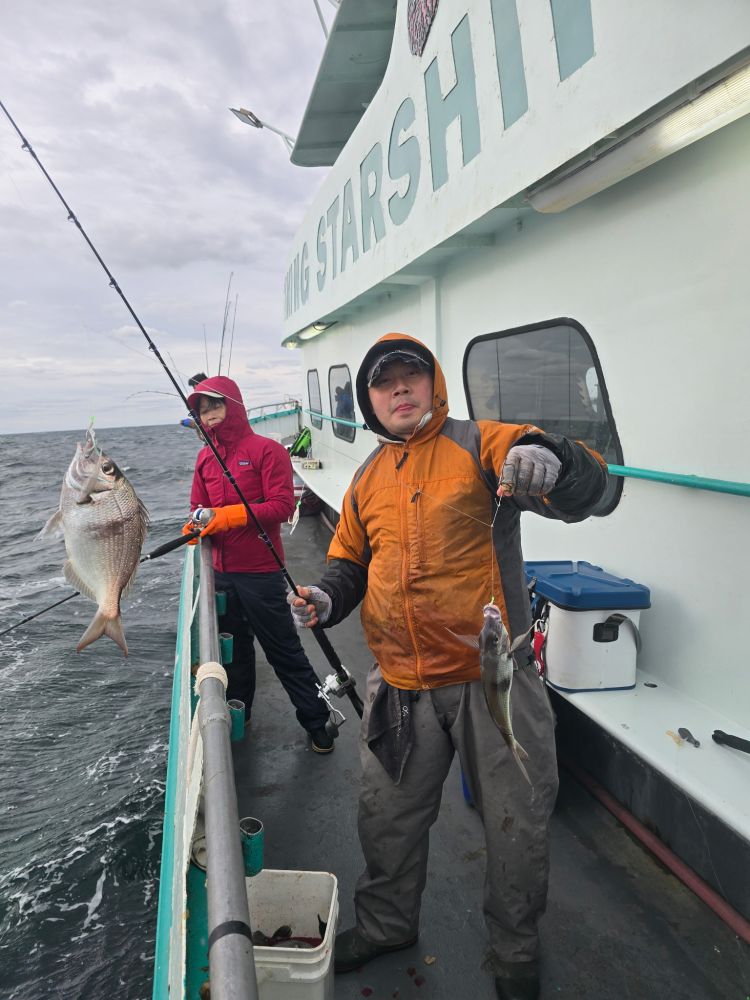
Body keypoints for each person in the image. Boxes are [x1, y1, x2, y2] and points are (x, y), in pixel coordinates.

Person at [288, 334, 607, 999]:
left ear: (434, 384)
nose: (399, 389)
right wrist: (325, 596)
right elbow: (348, 564)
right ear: (371, 403)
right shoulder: (368, 477)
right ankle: (385, 924)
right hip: (400, 684)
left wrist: (549, 456)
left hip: (493, 681)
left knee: (515, 824)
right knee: (385, 818)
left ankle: (516, 951)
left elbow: (588, 489)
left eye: (411, 376)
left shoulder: (483, 443)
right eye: (385, 384)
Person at [183, 374, 334, 753]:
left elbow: (282, 506)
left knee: (283, 650)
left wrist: (230, 516)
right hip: (221, 573)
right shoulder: (204, 458)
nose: (209, 414)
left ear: (233, 405)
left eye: (215, 404)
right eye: (202, 409)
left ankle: (317, 720)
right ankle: (241, 712)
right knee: (236, 653)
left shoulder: (268, 450)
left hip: (262, 574)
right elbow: (197, 507)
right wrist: (196, 523)